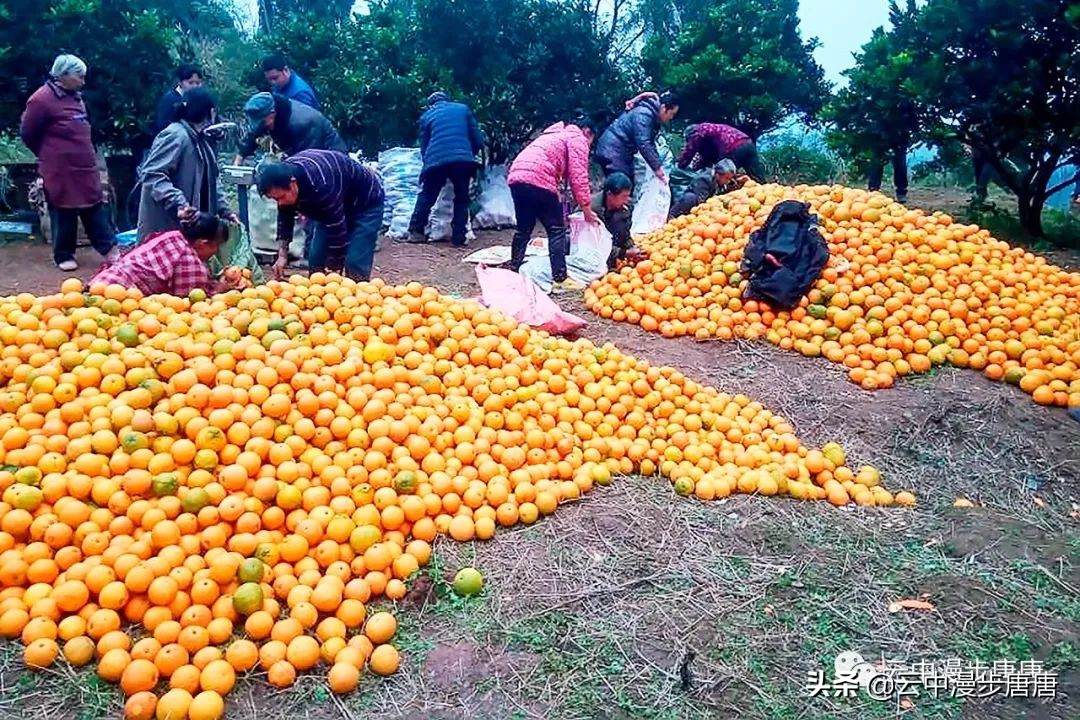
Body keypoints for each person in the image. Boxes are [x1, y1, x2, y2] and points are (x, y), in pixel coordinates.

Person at [19, 54, 117, 272]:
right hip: (59, 169)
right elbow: (28, 132)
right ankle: (64, 254)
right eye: (79, 76)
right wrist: (49, 153)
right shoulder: (41, 99)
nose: (83, 81)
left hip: (84, 166)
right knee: (64, 210)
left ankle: (108, 248)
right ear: (62, 75)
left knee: (94, 206)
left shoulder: (76, 97)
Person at [256, 150, 385, 282]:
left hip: (365, 204)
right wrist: (282, 255)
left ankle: (360, 297)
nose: (281, 203)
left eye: (282, 197)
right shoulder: (284, 179)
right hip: (334, 204)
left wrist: (334, 269)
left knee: (354, 261)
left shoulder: (321, 185)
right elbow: (285, 217)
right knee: (317, 258)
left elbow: (337, 231)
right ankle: (316, 299)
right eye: (276, 199)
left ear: (293, 183)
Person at [506, 117, 598, 291]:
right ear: (587, 131)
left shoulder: (554, 134)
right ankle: (560, 278)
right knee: (556, 230)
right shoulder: (577, 138)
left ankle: (514, 267)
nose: (589, 144)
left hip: (517, 177)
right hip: (539, 178)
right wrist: (586, 209)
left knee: (523, 228)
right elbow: (578, 176)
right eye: (591, 140)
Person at [136, 87, 236, 242]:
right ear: (210, 112)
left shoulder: (201, 139)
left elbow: (211, 181)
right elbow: (153, 175)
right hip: (166, 229)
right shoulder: (175, 135)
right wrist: (179, 203)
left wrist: (225, 210)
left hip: (188, 229)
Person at [406, 91, 485, 247]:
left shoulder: (426, 116)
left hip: (436, 161)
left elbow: (424, 145)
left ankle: (416, 231)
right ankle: (459, 237)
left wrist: (428, 164)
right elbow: (477, 138)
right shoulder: (462, 109)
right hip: (462, 161)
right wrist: (471, 154)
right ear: (448, 99)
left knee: (428, 195)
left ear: (431, 104)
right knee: (462, 198)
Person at [90, 213, 231, 297]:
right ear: (203, 243)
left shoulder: (172, 237)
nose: (215, 252)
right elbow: (190, 303)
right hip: (117, 297)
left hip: (99, 284)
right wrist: (220, 289)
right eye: (216, 246)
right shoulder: (190, 262)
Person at [595, 90, 680, 187]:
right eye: (672, 114)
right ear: (664, 108)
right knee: (621, 187)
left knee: (624, 186)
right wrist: (657, 169)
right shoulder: (644, 114)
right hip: (613, 150)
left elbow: (650, 144)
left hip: (617, 150)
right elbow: (644, 143)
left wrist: (658, 165)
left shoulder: (652, 116)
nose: (671, 118)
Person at [234, 92, 347, 162]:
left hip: (330, 157)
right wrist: (239, 159)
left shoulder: (302, 123)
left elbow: (308, 161)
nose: (261, 126)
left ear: (272, 113)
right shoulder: (269, 113)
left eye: (262, 122)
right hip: (301, 153)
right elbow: (254, 133)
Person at [677, 123, 764, 182]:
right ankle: (767, 193)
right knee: (757, 177)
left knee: (724, 177)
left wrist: (680, 166)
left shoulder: (697, 132)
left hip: (734, 147)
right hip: (748, 143)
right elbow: (707, 156)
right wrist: (697, 167)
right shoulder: (710, 130)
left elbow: (689, 151)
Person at [592, 172, 641, 270]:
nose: (626, 200)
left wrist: (632, 247)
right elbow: (593, 245)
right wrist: (623, 253)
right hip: (592, 260)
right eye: (623, 196)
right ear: (609, 194)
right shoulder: (592, 210)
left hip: (612, 259)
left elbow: (624, 236)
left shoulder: (624, 209)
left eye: (628, 196)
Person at [669, 160, 743, 219]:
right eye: (727, 178)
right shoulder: (704, 180)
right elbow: (703, 203)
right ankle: (672, 216)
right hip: (692, 207)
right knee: (690, 198)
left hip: (705, 211)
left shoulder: (720, 182)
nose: (728, 181)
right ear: (717, 175)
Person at [153, 63, 203, 136]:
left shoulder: (200, 100)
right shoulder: (169, 100)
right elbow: (162, 126)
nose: (194, 86)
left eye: (198, 83)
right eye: (190, 83)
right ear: (180, 82)